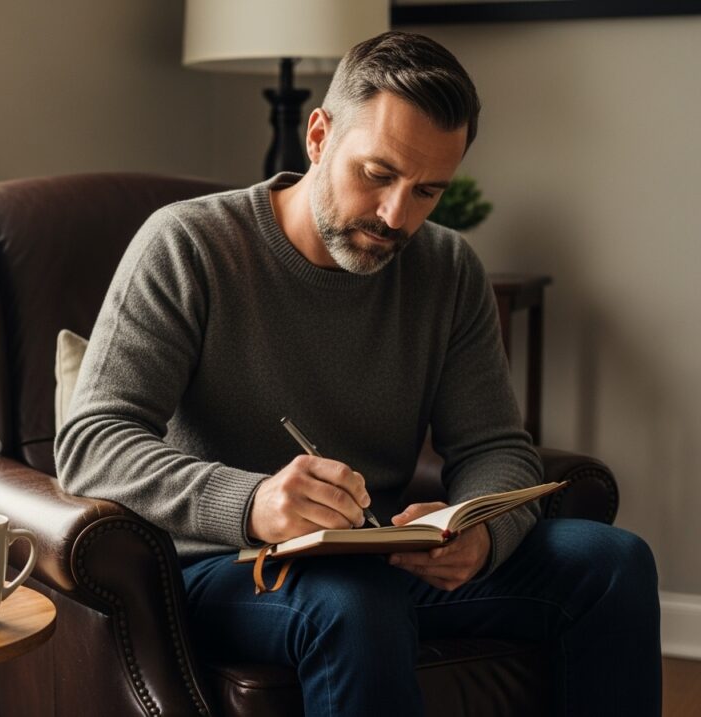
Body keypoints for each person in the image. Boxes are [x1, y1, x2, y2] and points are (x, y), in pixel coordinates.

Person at [55, 31, 660, 716]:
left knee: (615, 563)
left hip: (376, 561)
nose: (397, 216)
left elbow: (496, 446)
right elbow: (91, 445)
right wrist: (252, 502)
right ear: (318, 136)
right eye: (378, 174)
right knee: (352, 602)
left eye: (428, 190)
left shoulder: (447, 270)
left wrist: (480, 531)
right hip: (223, 568)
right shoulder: (189, 246)